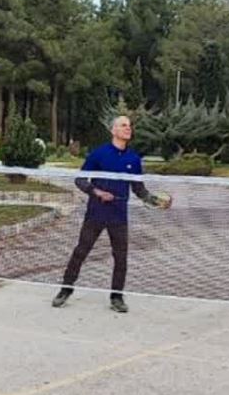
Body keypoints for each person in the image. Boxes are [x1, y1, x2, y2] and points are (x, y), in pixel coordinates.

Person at [51, 115, 169, 314]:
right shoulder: (99, 154)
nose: (128, 128)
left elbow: (139, 189)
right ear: (113, 130)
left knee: (121, 258)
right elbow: (80, 180)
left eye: (129, 126)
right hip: (96, 213)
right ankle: (65, 289)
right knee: (81, 252)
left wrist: (156, 201)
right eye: (123, 125)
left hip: (119, 217)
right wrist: (97, 192)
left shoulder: (133, 159)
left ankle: (116, 297)